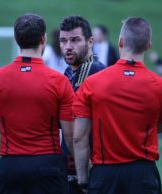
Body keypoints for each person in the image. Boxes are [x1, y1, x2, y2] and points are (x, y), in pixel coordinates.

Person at [73, 17, 162, 194]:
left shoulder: (92, 83)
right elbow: (161, 127)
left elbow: (79, 137)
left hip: (105, 173)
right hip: (144, 173)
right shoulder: (161, 85)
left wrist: (82, 180)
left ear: (120, 41)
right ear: (148, 45)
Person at [0, 13, 74, 194]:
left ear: (16, 39)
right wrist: (84, 171)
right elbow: (70, 137)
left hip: (11, 166)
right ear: (43, 38)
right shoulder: (59, 81)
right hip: (49, 166)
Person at [59, 15, 104, 194]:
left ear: (90, 41)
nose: (68, 47)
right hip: (72, 164)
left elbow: (75, 125)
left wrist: (84, 173)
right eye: (63, 41)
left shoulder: (93, 70)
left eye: (75, 40)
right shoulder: (69, 71)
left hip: (85, 166)